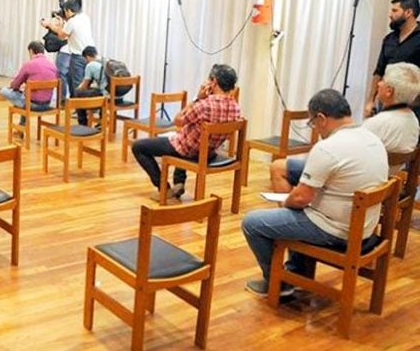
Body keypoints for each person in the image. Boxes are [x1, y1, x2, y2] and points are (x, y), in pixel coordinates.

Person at [242, 89, 388, 297]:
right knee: (281, 168)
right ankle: (297, 270)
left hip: (336, 229)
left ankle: (278, 281)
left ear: (321, 118)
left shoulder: (328, 147)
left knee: (253, 223)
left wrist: (287, 203)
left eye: (312, 122)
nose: (315, 129)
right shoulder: (372, 138)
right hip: (364, 224)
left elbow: (301, 198)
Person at [271, 62, 420, 193]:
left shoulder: (378, 123)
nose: (378, 83)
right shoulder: (413, 120)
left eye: (383, 81)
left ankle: (294, 217)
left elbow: (342, 152)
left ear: (389, 91)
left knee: (278, 167)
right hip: (386, 182)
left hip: (358, 182)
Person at [132, 64, 241, 200]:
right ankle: (179, 183)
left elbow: (177, 120)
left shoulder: (204, 105)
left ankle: (164, 189)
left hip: (189, 150)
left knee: (139, 146)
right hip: (208, 151)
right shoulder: (235, 107)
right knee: (186, 136)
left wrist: (197, 98)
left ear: (213, 82)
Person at [364, 0, 420, 118]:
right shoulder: (389, 39)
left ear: (408, 12)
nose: (390, 15)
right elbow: (379, 71)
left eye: (395, 11)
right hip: (386, 102)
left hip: (413, 107)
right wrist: (370, 101)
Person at [41, 0, 95, 98]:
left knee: (77, 84)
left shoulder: (72, 21)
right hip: (90, 55)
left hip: (78, 56)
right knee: (84, 82)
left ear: (69, 11)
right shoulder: (85, 17)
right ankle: (83, 107)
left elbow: (61, 36)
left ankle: (79, 109)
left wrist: (50, 25)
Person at [0, 41, 59, 129]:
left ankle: (22, 118)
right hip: (48, 104)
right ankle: (22, 123)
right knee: (27, 96)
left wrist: (19, 88)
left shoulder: (29, 64)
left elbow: (15, 85)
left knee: (4, 91)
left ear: (31, 51)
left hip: (32, 105)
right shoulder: (53, 66)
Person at [74, 46, 107, 126]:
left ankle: (83, 124)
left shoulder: (90, 65)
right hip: (118, 94)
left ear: (87, 57)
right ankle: (102, 122)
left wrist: (77, 89)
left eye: (85, 59)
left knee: (78, 94)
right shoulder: (104, 61)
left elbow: (84, 86)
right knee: (97, 90)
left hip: (105, 96)